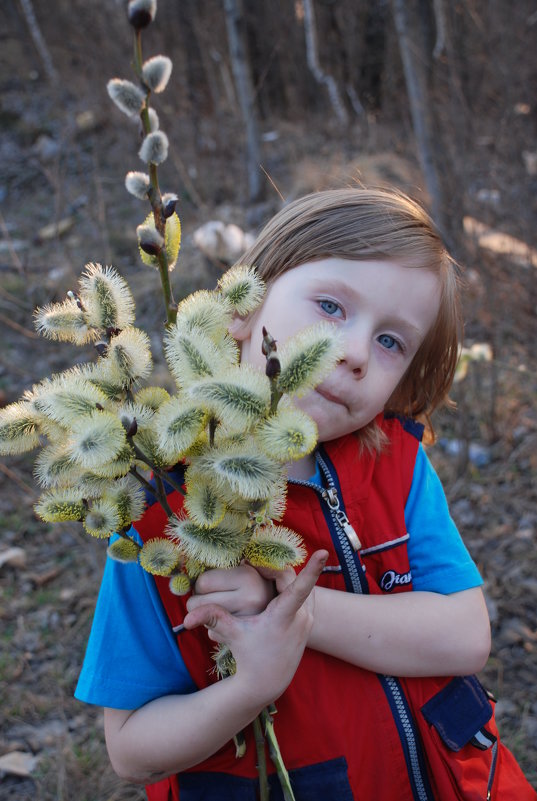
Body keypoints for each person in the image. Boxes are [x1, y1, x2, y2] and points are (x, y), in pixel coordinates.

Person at [75, 188, 536, 800]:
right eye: (331, 306)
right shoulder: (160, 519)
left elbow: (464, 636)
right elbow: (132, 750)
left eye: (392, 342)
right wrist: (249, 687)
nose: (354, 354)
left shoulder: (395, 468)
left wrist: (289, 603)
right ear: (241, 306)